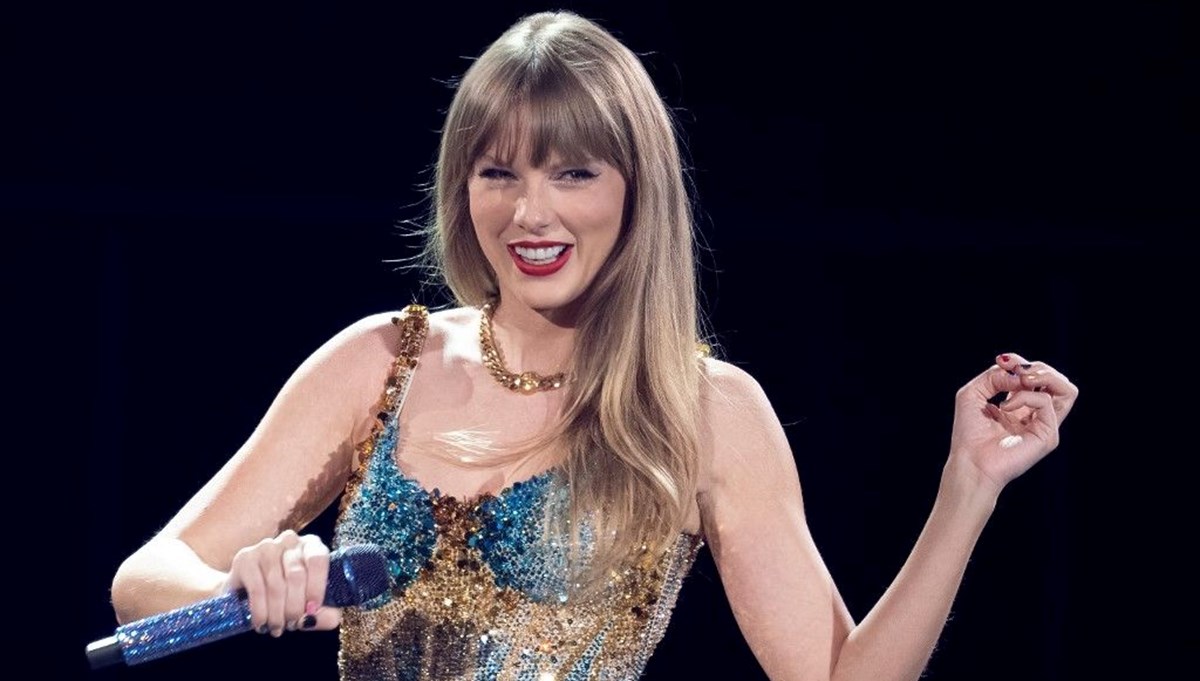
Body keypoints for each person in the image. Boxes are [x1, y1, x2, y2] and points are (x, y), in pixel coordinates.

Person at [109, 10, 1079, 681]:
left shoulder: (704, 412)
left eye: (572, 172)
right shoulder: (380, 364)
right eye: (498, 173)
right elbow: (142, 585)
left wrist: (967, 488)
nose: (530, 212)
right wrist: (238, 586)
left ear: (634, 191)